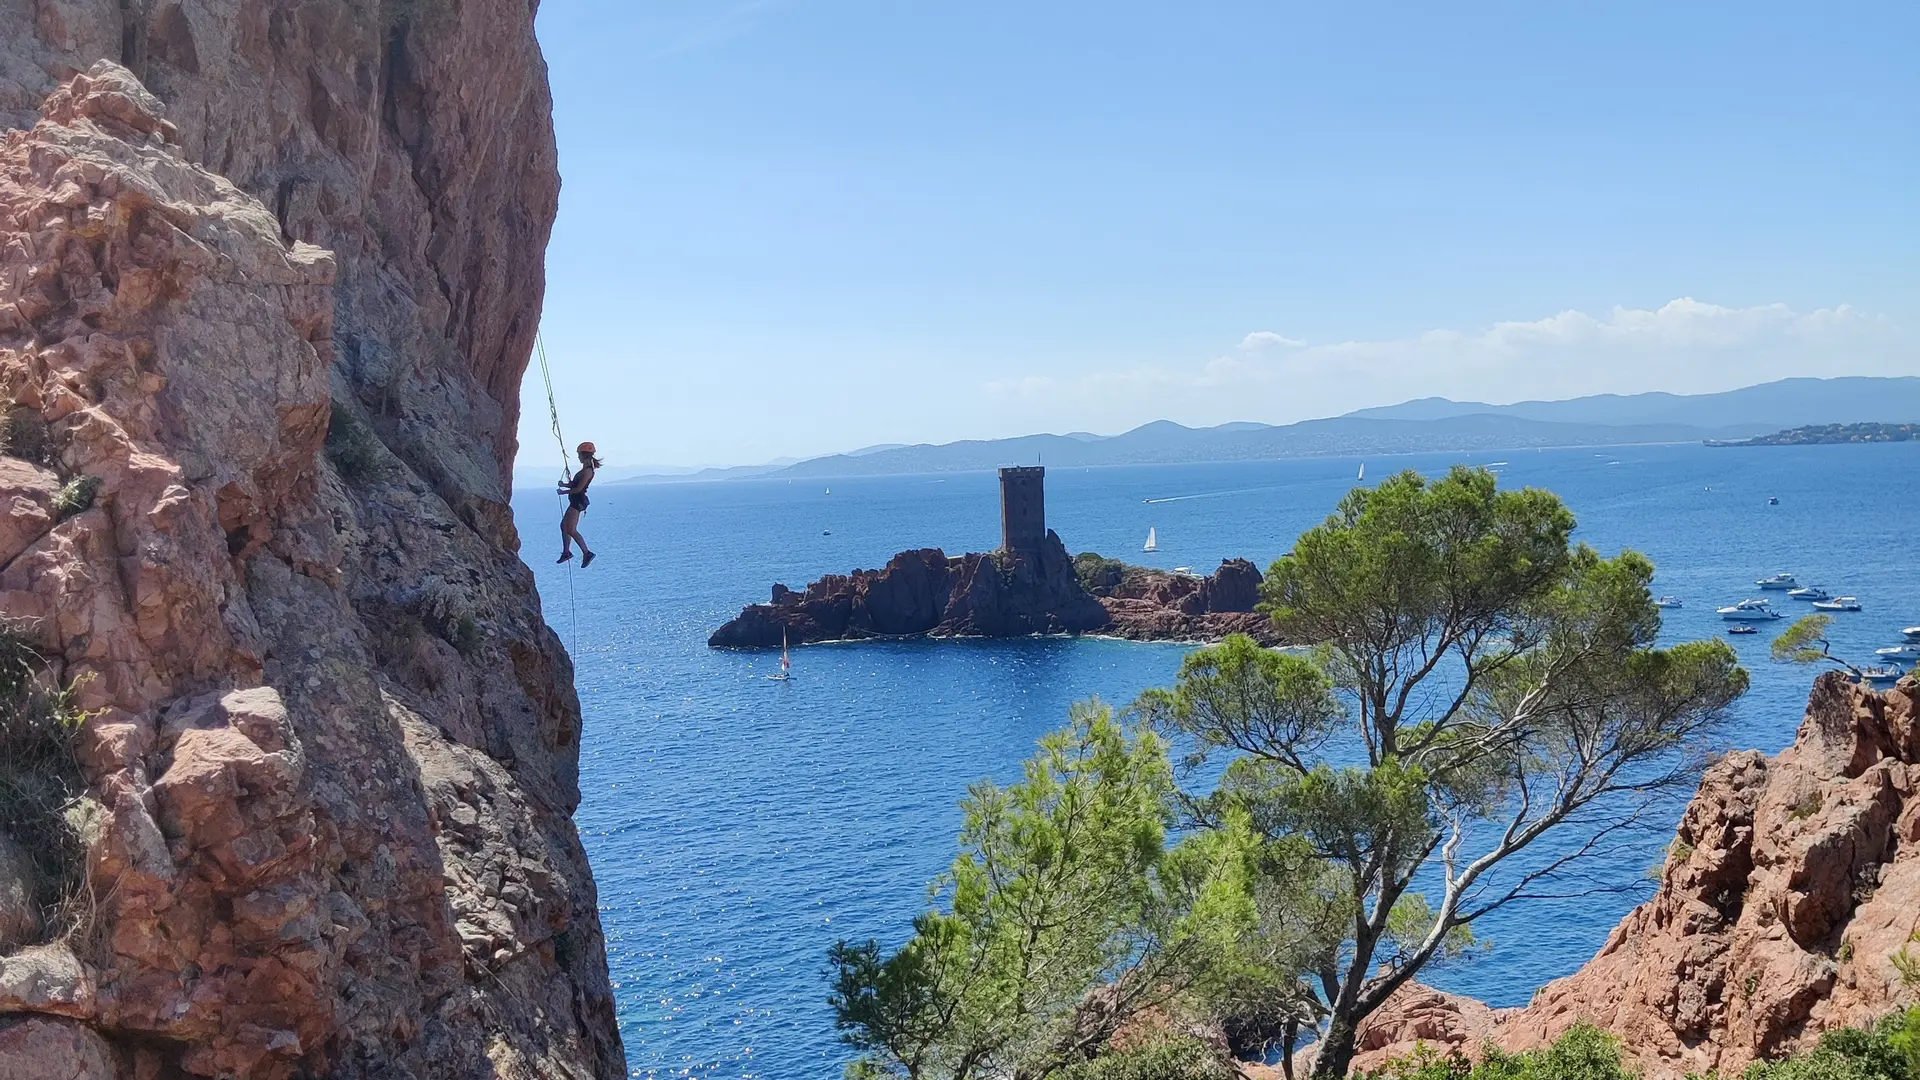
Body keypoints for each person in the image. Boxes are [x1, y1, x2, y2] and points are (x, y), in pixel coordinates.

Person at [557, 441, 599, 566]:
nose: (578, 457)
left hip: (578, 501)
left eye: (579, 454)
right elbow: (575, 484)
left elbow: (579, 489)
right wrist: (564, 485)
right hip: (576, 500)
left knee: (570, 529)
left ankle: (586, 552)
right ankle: (566, 552)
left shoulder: (587, 471)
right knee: (564, 526)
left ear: (583, 455)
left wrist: (563, 491)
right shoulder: (585, 470)